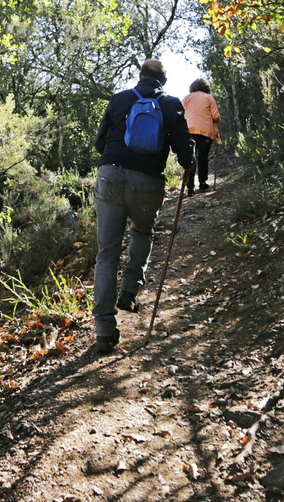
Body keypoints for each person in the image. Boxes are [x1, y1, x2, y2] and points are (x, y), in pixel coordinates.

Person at [88, 57, 193, 355]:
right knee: (143, 232)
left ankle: (105, 332)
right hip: (148, 182)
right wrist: (190, 159)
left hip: (110, 176)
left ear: (140, 76)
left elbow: (99, 143)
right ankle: (130, 290)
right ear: (163, 81)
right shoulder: (171, 104)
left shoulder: (120, 99)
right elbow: (185, 153)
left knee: (106, 253)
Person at [182, 78, 220, 195]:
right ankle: (202, 183)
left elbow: (181, 114)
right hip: (205, 132)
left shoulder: (186, 98)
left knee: (190, 158)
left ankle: (190, 188)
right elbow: (216, 116)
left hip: (189, 131)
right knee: (203, 157)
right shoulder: (209, 98)